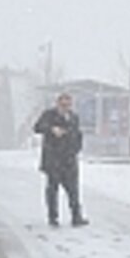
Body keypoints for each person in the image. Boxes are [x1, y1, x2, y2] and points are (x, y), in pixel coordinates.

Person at [34, 93, 88, 227]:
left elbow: (77, 134)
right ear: (58, 103)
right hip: (53, 159)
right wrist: (52, 129)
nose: (66, 107)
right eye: (63, 104)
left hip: (69, 159)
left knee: (73, 190)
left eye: (68, 105)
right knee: (52, 190)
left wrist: (76, 149)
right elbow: (37, 127)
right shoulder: (49, 115)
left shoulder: (74, 117)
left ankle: (76, 217)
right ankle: (53, 217)